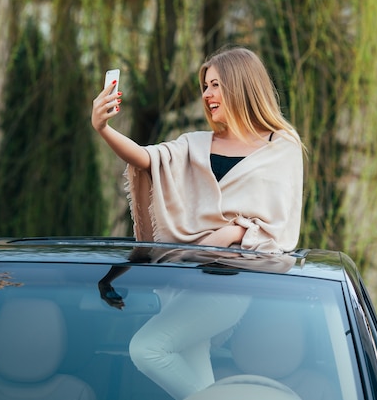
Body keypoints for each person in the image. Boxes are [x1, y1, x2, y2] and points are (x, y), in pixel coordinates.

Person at [91, 46, 304, 400]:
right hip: (180, 279)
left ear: (241, 86)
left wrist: (234, 232)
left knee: (147, 349)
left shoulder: (280, 147)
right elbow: (147, 159)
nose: (206, 94)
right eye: (205, 86)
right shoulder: (194, 144)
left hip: (227, 284)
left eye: (215, 85)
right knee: (200, 381)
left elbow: (281, 228)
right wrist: (103, 128)